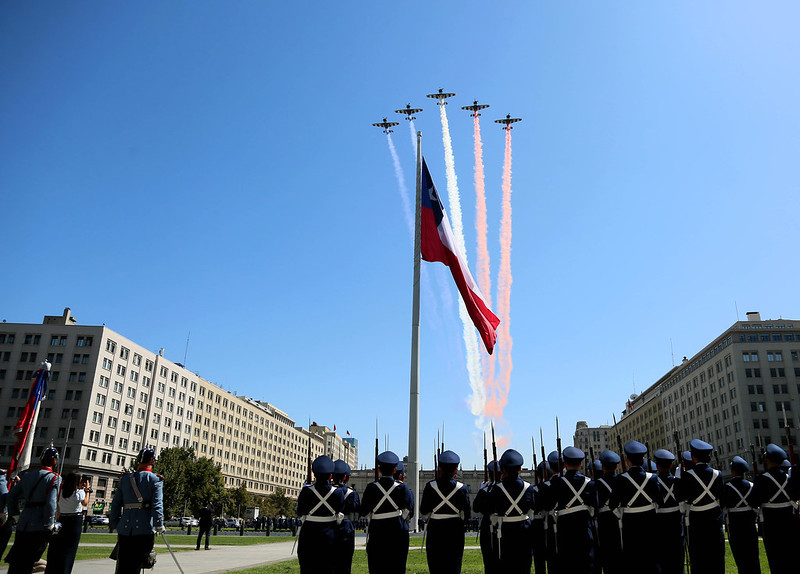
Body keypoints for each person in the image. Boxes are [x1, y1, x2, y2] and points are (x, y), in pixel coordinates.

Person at [5, 447, 62, 574]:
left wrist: (16, 515)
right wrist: (50, 523)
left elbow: (11, 496)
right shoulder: (54, 478)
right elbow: (51, 502)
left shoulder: (27, 475)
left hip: (23, 522)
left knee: (17, 560)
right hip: (39, 524)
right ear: (54, 461)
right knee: (29, 561)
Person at [108, 447, 164, 574]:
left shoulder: (126, 479)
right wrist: (159, 523)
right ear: (153, 461)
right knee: (137, 565)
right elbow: (157, 504)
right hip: (144, 529)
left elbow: (116, 504)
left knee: (123, 565)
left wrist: (115, 523)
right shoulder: (155, 480)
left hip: (125, 529)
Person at [609, 441, 661, 574]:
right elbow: (659, 500)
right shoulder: (653, 478)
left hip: (629, 524)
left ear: (627, 461)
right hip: (650, 522)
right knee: (652, 559)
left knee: (632, 561)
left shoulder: (621, 479)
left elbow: (612, 504)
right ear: (643, 460)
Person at [360, 451, 414, 574]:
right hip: (398, 532)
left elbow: (363, 511)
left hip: (377, 532)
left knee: (377, 567)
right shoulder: (402, 488)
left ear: (379, 469)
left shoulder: (371, 488)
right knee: (397, 567)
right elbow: (410, 510)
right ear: (395, 470)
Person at [676, 439, 725, 574]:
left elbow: (679, 497)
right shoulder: (718, 474)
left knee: (698, 560)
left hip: (697, 522)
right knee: (717, 560)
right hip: (715, 520)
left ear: (693, 457)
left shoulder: (687, 476)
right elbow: (722, 495)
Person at [544, 446, 595, 574]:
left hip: (564, 531)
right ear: (581, 463)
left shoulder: (557, 482)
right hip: (584, 529)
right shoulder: (589, 483)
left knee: (567, 565)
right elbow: (596, 505)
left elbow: (549, 505)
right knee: (586, 564)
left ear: (565, 464)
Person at [420, 450, 471, 574]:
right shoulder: (462, 488)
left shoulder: (430, 486)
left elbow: (423, 510)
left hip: (435, 529)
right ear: (456, 470)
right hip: (455, 530)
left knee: (435, 565)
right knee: (454, 565)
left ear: (440, 468)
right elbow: (467, 514)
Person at [751, 443, 798, 573]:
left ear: (767, 460)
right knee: (791, 559)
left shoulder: (761, 479)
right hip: (790, 523)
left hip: (771, 525)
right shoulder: (789, 478)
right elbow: (795, 495)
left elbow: (754, 502)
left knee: (775, 560)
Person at [296, 455, 345, 574]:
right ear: (330, 475)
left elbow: (300, 511)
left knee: (308, 568)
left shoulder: (306, 491)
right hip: (330, 534)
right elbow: (340, 510)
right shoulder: (338, 493)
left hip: (309, 534)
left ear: (314, 474)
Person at [489, 449, 535, 574]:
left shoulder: (497, 489)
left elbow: (490, 507)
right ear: (520, 469)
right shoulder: (528, 488)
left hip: (505, 530)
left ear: (503, 470)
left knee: (506, 565)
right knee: (524, 566)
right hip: (524, 530)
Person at [44, 472, 90, 574]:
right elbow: (85, 502)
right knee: (69, 550)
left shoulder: (60, 492)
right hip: (74, 520)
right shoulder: (78, 493)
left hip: (62, 519)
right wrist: (87, 490)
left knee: (55, 548)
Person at [721, 456, 759, 574]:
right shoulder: (752, 486)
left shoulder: (727, 487)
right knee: (753, 556)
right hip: (750, 525)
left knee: (740, 557)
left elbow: (722, 505)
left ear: (732, 470)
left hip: (735, 525)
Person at [652, 449, 683, 574]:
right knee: (678, 560)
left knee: (662, 560)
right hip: (676, 523)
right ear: (671, 465)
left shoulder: (653, 482)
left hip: (660, 524)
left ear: (657, 465)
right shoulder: (678, 481)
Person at [593, 450, 621, 574]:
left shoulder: (597, 484)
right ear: (617, 466)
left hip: (604, 522)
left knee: (607, 555)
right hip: (621, 519)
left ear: (603, 467)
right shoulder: (623, 480)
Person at [332, 459, 360, 574]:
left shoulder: (328, 491)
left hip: (328, 528)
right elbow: (358, 511)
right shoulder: (352, 493)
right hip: (346, 530)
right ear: (346, 478)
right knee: (345, 564)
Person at [473, 460, 499, 574]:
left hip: (489, 527)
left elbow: (477, 507)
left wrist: (483, 490)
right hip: (502, 527)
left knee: (489, 562)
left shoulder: (486, 490)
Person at [530, 461, 551, 574]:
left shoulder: (536, 489)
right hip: (554, 524)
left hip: (538, 526)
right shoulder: (555, 487)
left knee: (539, 561)